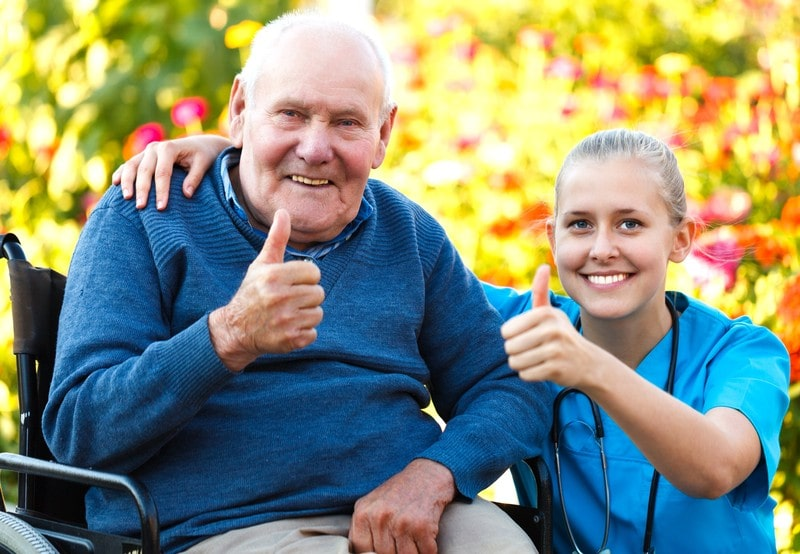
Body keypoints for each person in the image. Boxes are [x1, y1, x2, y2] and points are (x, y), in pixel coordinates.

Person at [118, 128, 791, 552]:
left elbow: (714, 468)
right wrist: (231, 155)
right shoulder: (519, 319)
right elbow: (408, 276)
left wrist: (589, 368)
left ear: (681, 240)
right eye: (580, 225)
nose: (602, 249)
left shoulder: (741, 352)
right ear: (551, 238)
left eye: (632, 225)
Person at [44, 10, 553, 554]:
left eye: (347, 122)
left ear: (382, 135)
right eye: (290, 113)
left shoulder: (408, 235)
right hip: (219, 528)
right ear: (241, 110)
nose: (315, 148)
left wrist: (435, 473)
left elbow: (508, 383)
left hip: (404, 511)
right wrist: (227, 337)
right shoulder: (147, 215)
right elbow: (80, 432)